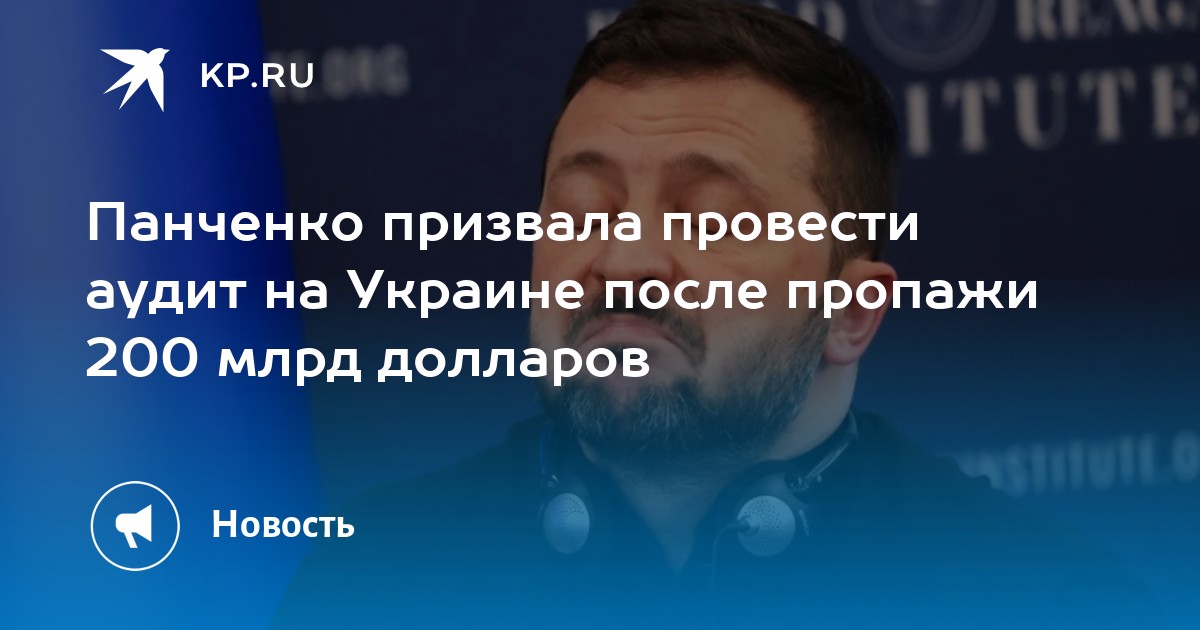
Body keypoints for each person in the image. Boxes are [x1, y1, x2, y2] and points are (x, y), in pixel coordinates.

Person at [276, 1, 1161, 626]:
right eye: (580, 211)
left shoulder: (1051, 599)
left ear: (852, 312)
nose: (622, 262)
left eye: (709, 220)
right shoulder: (367, 582)